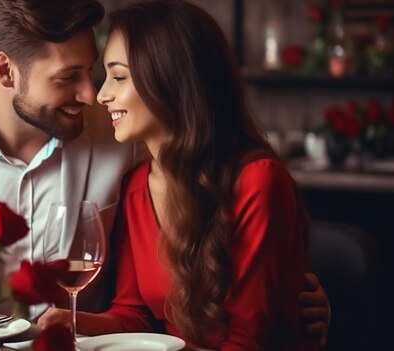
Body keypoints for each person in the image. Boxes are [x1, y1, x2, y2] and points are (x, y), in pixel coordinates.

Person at [0, 0, 328, 338]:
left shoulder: (125, 139)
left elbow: (208, 168)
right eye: (68, 78)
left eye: (98, 72)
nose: (92, 94)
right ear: (5, 72)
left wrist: (292, 297)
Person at [37, 0, 323, 349]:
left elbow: (247, 340)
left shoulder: (257, 181)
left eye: (120, 77)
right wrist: (71, 320)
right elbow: (133, 315)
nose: (101, 95)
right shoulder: (136, 187)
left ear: (171, 78)